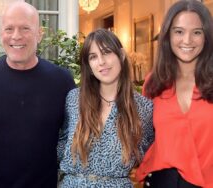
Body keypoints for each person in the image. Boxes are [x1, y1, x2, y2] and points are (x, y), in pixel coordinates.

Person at [0, 1, 75, 188]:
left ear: (39, 34)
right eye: (9, 28)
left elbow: (73, 136)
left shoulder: (62, 81)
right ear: (1, 33)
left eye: (25, 28)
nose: (16, 36)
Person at [57, 28, 154, 187]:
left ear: (121, 55)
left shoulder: (144, 108)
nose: (101, 61)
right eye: (93, 57)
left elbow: (150, 156)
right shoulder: (74, 99)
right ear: (89, 64)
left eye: (107, 52)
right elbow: (60, 145)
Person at [136, 0, 213, 187]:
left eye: (196, 32)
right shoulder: (154, 82)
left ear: (207, 37)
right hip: (163, 180)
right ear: (167, 36)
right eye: (179, 31)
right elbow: (144, 137)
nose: (187, 40)